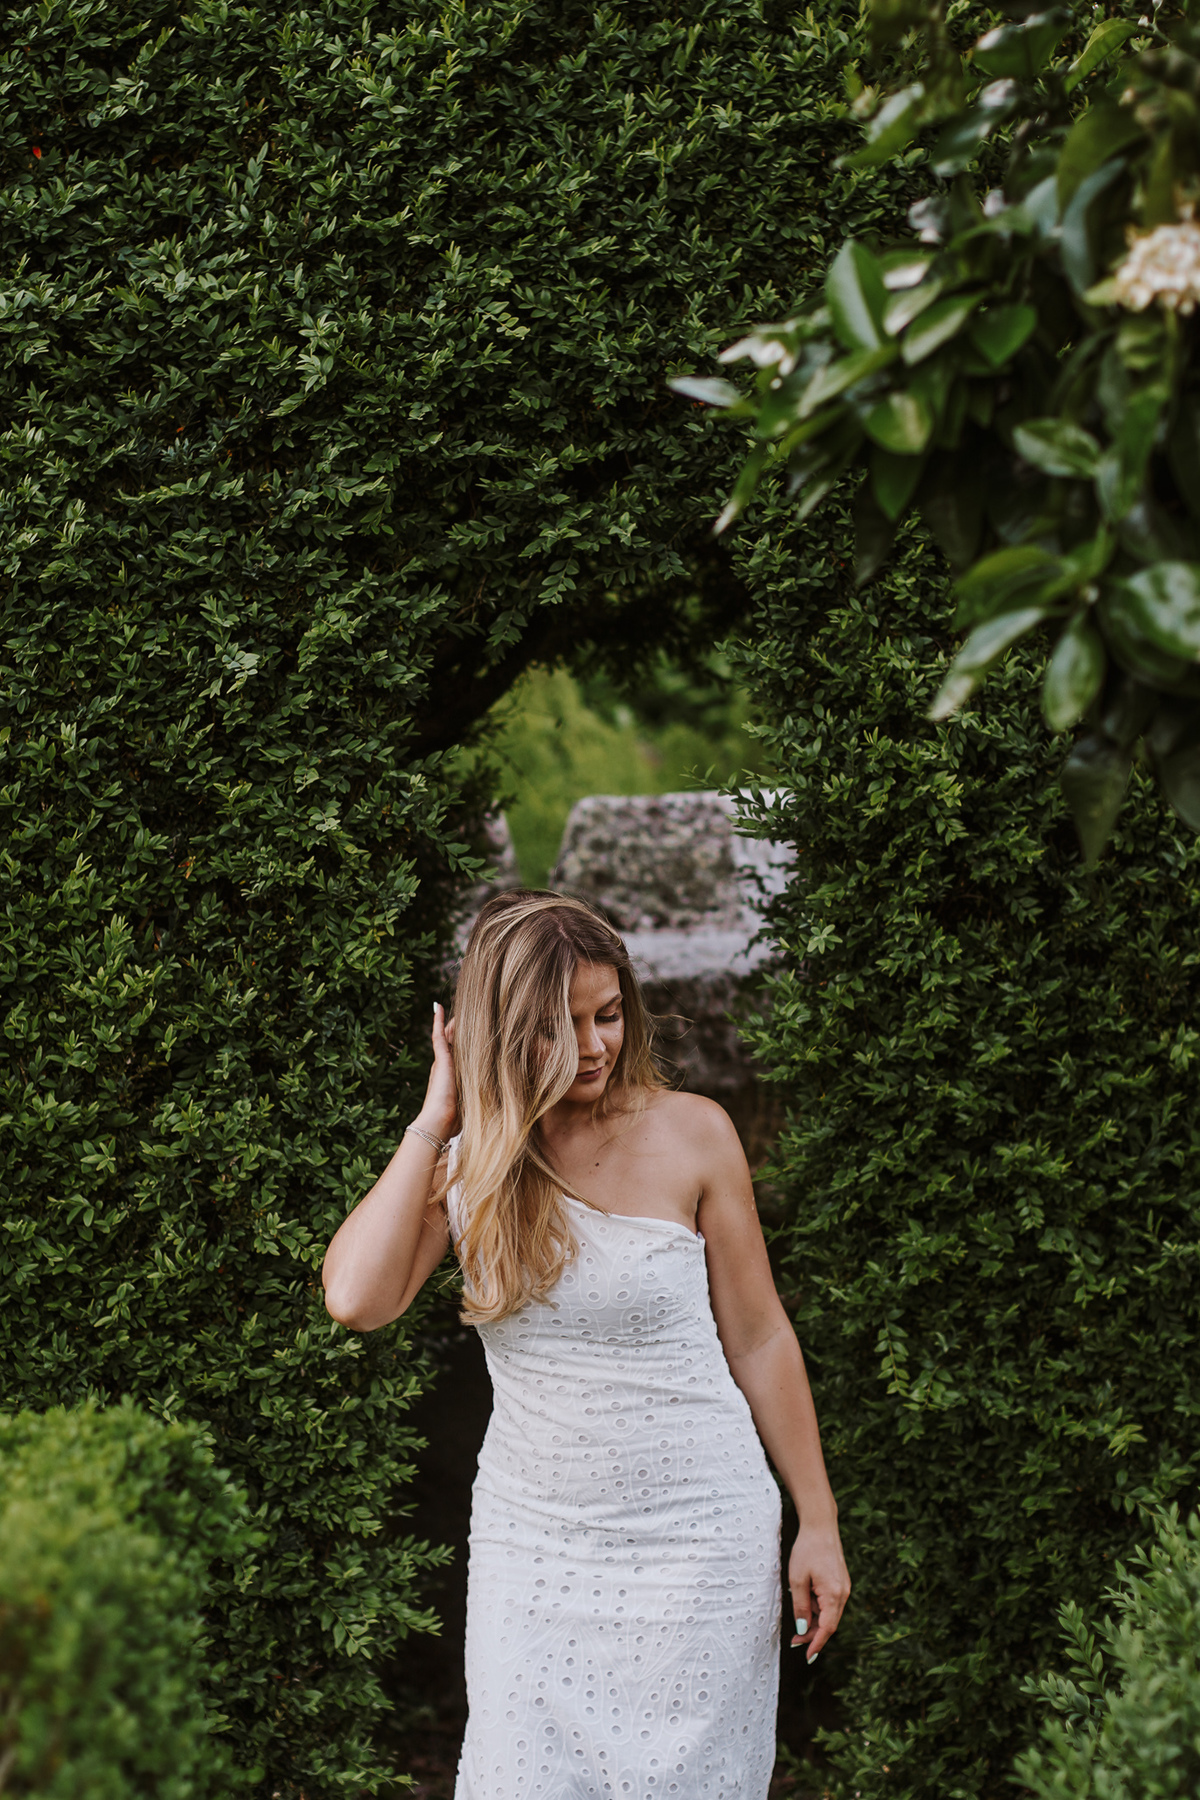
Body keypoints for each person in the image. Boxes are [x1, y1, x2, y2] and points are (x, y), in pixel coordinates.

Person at [322, 890, 849, 1799]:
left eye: (608, 1014)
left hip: (700, 1544)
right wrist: (439, 1114)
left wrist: (820, 1521)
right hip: (535, 1548)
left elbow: (760, 1335)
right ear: (498, 1031)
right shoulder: (470, 1165)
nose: (595, 1046)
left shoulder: (695, 1134)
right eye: (558, 1027)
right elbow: (357, 1299)